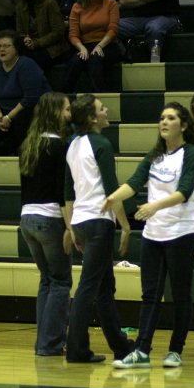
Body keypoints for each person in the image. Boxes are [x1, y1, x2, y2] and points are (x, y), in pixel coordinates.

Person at [105, 103, 194, 369]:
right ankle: (142, 349)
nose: (164, 122)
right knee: (150, 294)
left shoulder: (192, 154)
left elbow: (184, 192)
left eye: (170, 118)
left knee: (180, 294)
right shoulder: (155, 155)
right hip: (153, 234)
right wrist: (114, 196)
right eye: (161, 118)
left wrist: (153, 206)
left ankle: (175, 350)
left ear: (182, 125)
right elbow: (134, 182)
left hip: (182, 232)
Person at [63, 94, 134, 364]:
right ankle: (76, 349)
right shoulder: (101, 144)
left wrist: (70, 228)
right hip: (97, 222)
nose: (106, 110)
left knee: (104, 287)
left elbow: (67, 193)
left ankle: (121, 346)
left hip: (81, 221)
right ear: (92, 118)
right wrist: (125, 227)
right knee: (89, 287)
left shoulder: (72, 146)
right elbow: (112, 191)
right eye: (101, 108)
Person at [18, 92, 72, 357]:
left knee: (47, 281)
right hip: (50, 218)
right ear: (55, 114)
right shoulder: (59, 147)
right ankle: (50, 344)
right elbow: (62, 192)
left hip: (26, 217)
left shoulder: (29, 144)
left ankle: (43, 341)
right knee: (61, 281)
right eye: (65, 110)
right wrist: (71, 228)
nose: (69, 114)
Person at [0, 30, 51, 155]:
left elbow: (30, 98)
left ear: (16, 48)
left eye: (7, 46)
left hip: (27, 109)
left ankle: (24, 156)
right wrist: (0, 117)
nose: (2, 49)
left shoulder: (26, 64)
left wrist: (8, 117)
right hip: (3, 112)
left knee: (23, 118)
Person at [63, 0, 121, 93]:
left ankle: (102, 96)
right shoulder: (77, 7)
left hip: (107, 44)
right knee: (75, 62)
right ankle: (64, 96)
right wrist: (81, 48)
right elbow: (73, 34)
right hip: (85, 45)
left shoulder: (111, 4)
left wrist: (100, 46)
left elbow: (113, 29)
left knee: (95, 59)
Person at [15, 0, 67, 72]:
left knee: (34, 60)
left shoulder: (49, 3)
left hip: (52, 48)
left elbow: (58, 32)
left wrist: (37, 43)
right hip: (30, 45)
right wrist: (25, 39)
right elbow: (20, 31)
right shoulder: (20, 6)